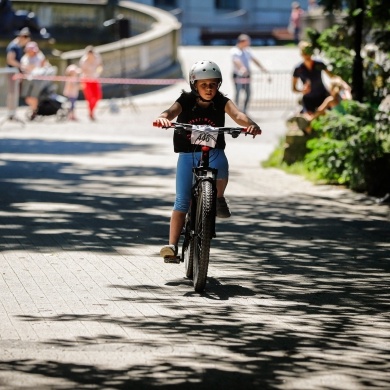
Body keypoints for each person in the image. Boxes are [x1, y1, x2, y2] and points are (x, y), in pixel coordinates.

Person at [154, 60, 262, 259]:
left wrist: (252, 124)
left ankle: (218, 197)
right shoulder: (186, 99)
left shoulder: (221, 101)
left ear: (218, 85)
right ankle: (172, 246)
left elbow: (238, 115)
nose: (209, 88)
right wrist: (163, 118)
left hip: (213, 151)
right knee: (181, 201)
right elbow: (171, 112)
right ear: (194, 85)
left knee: (222, 164)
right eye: (204, 84)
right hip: (187, 154)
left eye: (213, 84)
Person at [291, 41, 351, 116]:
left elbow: (333, 77)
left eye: (308, 54)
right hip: (309, 99)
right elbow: (294, 89)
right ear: (301, 54)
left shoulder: (318, 64)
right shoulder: (298, 69)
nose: (307, 56)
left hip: (322, 95)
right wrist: (302, 90)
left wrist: (344, 86)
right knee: (309, 121)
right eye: (304, 54)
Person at [230, 34, 269, 114]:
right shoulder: (234, 51)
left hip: (247, 74)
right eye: (247, 41)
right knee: (238, 91)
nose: (249, 43)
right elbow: (236, 61)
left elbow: (254, 59)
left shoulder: (247, 50)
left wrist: (262, 68)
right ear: (242, 42)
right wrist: (242, 68)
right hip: (238, 74)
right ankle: (236, 109)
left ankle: (245, 109)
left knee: (248, 92)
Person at [20, 40, 51, 120]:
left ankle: (34, 111)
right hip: (28, 81)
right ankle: (34, 110)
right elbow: (25, 68)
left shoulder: (40, 56)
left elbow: (45, 66)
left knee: (34, 97)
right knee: (27, 98)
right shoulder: (25, 58)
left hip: (38, 82)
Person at [5, 27, 31, 121]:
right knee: (12, 93)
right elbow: (10, 60)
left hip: (15, 73)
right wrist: (21, 67)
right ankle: (11, 113)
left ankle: (12, 112)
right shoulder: (13, 46)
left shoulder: (17, 46)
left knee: (14, 93)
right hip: (12, 73)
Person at [79, 45, 103, 121]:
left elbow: (100, 66)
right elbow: (82, 71)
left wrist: (98, 72)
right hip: (87, 80)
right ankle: (91, 113)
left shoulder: (97, 58)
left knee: (98, 96)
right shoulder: (84, 61)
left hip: (95, 79)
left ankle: (92, 112)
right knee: (90, 98)